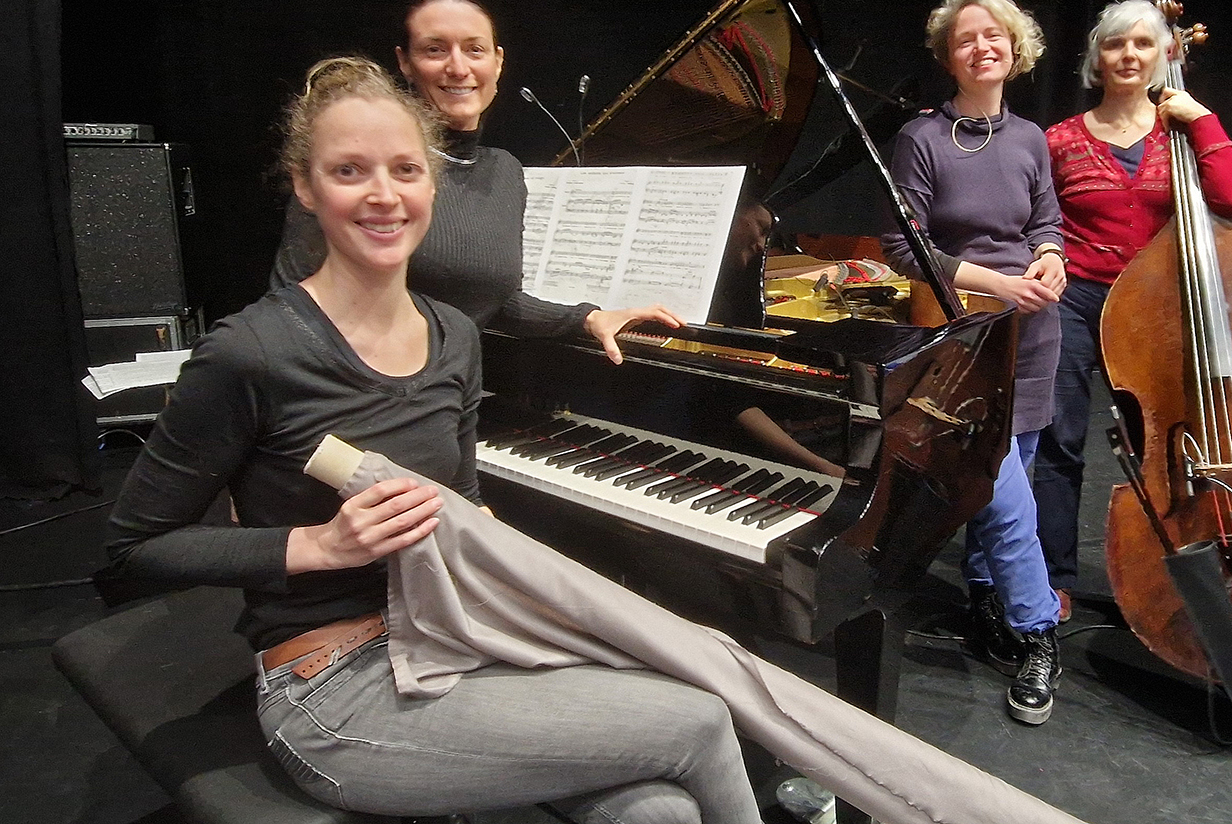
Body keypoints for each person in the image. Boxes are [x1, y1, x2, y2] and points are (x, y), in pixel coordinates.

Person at [106, 57, 764, 823]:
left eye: (405, 169)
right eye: (349, 171)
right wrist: (319, 545)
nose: (383, 194)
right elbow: (133, 550)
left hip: (455, 637)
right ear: (305, 188)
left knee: (660, 812)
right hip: (331, 688)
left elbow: (467, 505)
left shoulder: (454, 336)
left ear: (432, 186)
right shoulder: (250, 351)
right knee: (700, 719)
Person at [270, 0, 679, 362]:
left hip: (450, 387)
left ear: (497, 62)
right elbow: (291, 302)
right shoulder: (365, 171)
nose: (458, 67)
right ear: (405, 63)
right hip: (357, 389)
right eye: (435, 50)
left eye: (474, 50)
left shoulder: (504, 171)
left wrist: (587, 318)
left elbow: (494, 298)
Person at [1031, 0, 1232, 617]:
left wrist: (1202, 119)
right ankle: (1051, 578)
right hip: (1075, 299)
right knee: (1058, 440)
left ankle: (1166, 581)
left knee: (1160, 448)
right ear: (1096, 57)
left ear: (1163, 56)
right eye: (1114, 43)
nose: (1128, 55)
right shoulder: (1059, 140)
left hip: (1156, 307)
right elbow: (1035, 218)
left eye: (1143, 44)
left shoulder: (1182, 131)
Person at [879, 0, 1064, 725]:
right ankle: (1039, 630)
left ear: (1016, 49)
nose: (982, 47)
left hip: (1035, 328)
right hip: (964, 330)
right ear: (948, 56)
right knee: (1003, 490)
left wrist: (1050, 257)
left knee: (1010, 477)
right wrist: (999, 285)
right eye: (966, 39)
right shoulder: (921, 138)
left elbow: (1046, 218)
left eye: (995, 36)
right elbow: (905, 247)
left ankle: (987, 603)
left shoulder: (1031, 138)